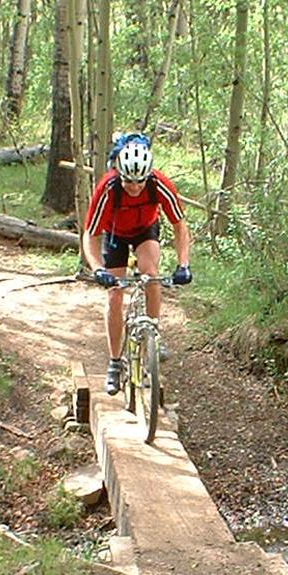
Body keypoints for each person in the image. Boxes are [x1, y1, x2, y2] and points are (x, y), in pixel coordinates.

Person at [82, 133, 192, 396]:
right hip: (115, 234)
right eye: (128, 182)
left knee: (151, 274)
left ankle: (153, 333)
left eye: (139, 182)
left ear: (147, 175)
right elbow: (91, 234)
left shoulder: (159, 183)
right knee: (115, 295)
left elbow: (180, 226)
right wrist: (98, 269)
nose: (134, 187)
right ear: (119, 174)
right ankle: (114, 362)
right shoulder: (108, 188)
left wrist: (183, 264)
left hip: (146, 230)